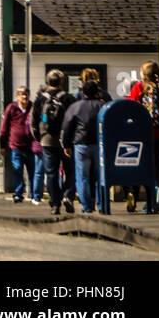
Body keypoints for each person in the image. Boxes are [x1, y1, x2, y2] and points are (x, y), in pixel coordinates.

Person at [126, 61, 159, 212]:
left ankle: (142, 196)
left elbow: (131, 108)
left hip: (143, 132)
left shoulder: (140, 87)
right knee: (158, 164)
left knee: (141, 165)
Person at [61, 73, 107, 214]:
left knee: (82, 177)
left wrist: (66, 144)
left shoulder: (76, 107)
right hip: (100, 145)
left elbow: (67, 126)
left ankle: (86, 206)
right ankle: (102, 205)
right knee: (101, 177)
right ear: (97, 92)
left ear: (83, 92)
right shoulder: (103, 106)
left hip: (81, 144)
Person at [32, 70, 75, 215]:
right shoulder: (68, 98)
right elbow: (73, 119)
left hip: (47, 140)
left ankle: (54, 204)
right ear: (62, 82)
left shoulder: (40, 99)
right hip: (66, 141)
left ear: (47, 82)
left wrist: (39, 137)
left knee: (51, 173)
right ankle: (67, 195)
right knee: (70, 171)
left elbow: (34, 121)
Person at [0, 86, 35, 202]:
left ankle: (33, 194)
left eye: (26, 94)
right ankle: (18, 193)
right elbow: (4, 128)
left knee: (32, 171)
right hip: (16, 146)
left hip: (30, 146)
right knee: (17, 169)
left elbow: (41, 120)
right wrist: (2, 145)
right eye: (22, 94)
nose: (24, 96)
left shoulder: (33, 108)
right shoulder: (11, 108)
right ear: (17, 97)